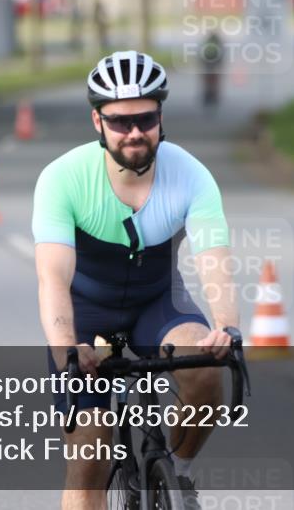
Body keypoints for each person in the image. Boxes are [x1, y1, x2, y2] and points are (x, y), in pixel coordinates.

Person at [32, 50, 237, 509]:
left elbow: (213, 258)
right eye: (120, 121)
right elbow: (53, 278)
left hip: (155, 303)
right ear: (97, 122)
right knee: (91, 450)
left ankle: (176, 476)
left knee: (205, 368)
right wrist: (68, 347)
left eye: (145, 119)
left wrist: (226, 325)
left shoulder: (190, 174)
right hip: (84, 314)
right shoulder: (62, 179)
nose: (134, 132)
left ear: (161, 117)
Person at [199, 31, 224, 108]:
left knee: (208, 79)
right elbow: (222, 53)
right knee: (214, 79)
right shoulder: (217, 41)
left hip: (207, 63)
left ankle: (208, 95)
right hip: (214, 63)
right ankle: (213, 95)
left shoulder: (208, 41)